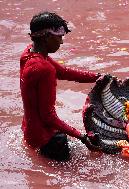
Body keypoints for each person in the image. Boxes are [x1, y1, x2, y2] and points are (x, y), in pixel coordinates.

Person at [20, 11, 100, 161]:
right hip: (48, 141)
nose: (61, 42)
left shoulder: (28, 54)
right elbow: (48, 117)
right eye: (60, 37)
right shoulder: (44, 69)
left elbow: (64, 72)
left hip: (30, 133)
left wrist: (97, 77)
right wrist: (82, 137)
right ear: (47, 37)